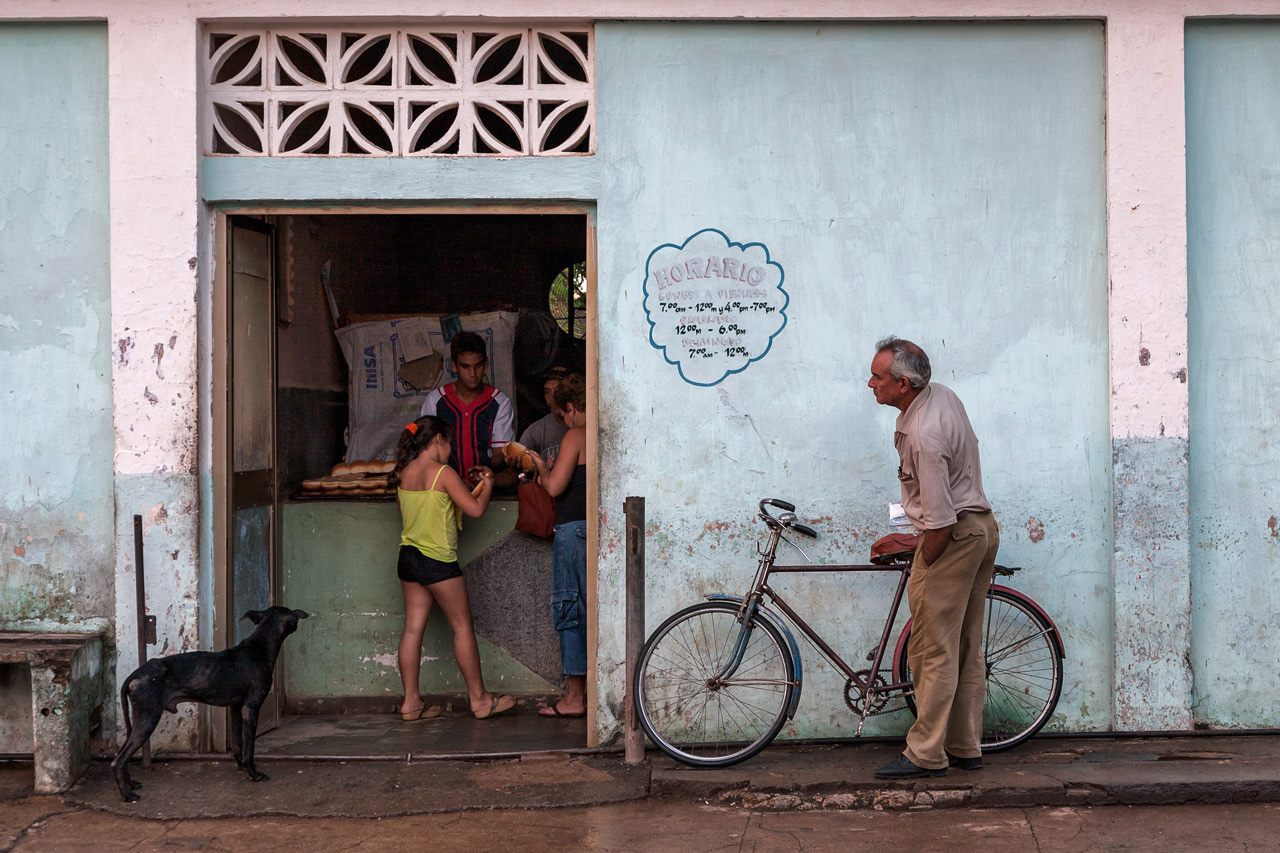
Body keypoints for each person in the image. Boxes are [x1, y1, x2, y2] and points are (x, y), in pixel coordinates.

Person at [867, 337, 999, 779]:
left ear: (903, 384)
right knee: (963, 645)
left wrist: (923, 554)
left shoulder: (924, 434)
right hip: (980, 527)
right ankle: (965, 746)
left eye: (879, 377)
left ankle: (925, 753)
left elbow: (940, 521)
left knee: (931, 649)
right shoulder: (939, 395)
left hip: (954, 536)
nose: (871, 383)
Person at [390, 416, 516, 721]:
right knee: (461, 627)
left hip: (409, 558)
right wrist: (487, 484)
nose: (450, 450)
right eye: (449, 443)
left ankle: (410, 703)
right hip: (438, 562)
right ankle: (480, 700)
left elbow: (420, 513)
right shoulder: (442, 473)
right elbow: (474, 510)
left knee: (412, 628)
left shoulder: (402, 472)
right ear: (437, 441)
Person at [525, 374, 588, 718]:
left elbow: (553, 487)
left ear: (568, 408)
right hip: (600, 529)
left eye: (563, 417)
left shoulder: (576, 435)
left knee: (571, 608)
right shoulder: (609, 430)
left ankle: (575, 698)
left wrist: (539, 465)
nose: (564, 423)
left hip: (574, 529)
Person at [419, 331, 515, 483]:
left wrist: (484, 475)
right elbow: (424, 450)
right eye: (465, 366)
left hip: (485, 488)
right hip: (442, 489)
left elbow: (499, 455)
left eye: (478, 366)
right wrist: (452, 482)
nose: (473, 374)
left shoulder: (499, 403)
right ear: (454, 366)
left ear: (486, 363)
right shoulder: (436, 401)